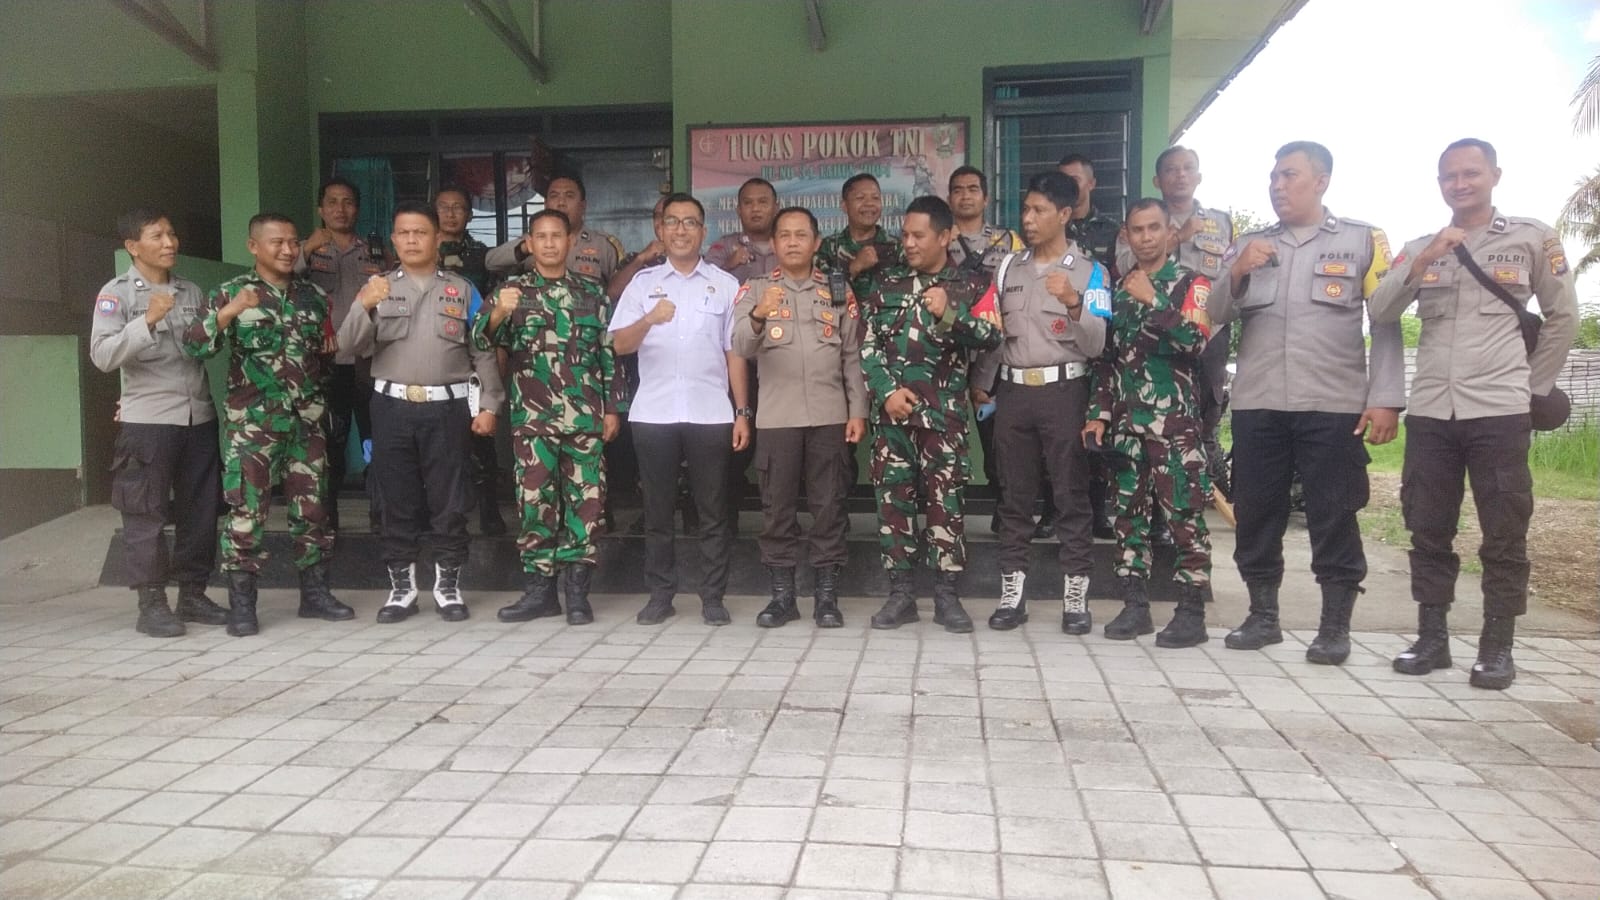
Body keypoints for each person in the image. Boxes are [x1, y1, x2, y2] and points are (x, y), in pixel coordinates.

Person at [1369, 138, 1577, 690]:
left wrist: (1531, 389)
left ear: (1494, 176)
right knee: (1427, 527)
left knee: (1504, 530)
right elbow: (1380, 310)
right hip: (1432, 411)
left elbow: (1563, 316)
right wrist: (1424, 261)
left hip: (1500, 411)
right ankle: (1432, 639)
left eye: (1470, 174)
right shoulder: (1421, 246)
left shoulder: (1531, 238)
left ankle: (1496, 646)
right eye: (1449, 176)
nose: (1459, 184)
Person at [1211, 141, 1404, 665]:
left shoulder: (1362, 240)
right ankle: (1262, 616)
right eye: (1273, 176)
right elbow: (1215, 312)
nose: (1277, 185)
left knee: (1334, 512)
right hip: (1259, 402)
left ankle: (1334, 626)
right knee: (1256, 511)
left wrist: (1386, 398)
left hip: (1333, 402)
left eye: (1289, 175)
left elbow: (1385, 321)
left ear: (1321, 181)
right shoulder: (1249, 243)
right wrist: (1237, 271)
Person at [183, 213, 352, 636]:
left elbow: (324, 356)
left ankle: (315, 595)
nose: (288, 250)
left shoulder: (313, 296)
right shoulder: (230, 292)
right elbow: (195, 346)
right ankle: (243, 604)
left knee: (312, 510)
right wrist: (230, 312)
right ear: (253, 246)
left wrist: (318, 404)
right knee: (247, 511)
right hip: (253, 425)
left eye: (294, 242)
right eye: (277, 242)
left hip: (305, 423)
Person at [339, 203, 505, 623]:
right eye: (403, 233)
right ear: (394, 240)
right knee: (397, 500)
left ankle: (448, 588)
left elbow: (482, 348)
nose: (411, 240)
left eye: (420, 232)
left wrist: (490, 404)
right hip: (392, 407)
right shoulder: (377, 288)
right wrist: (363, 305)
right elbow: (348, 346)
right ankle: (402, 589)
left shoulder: (462, 290)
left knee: (450, 501)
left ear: (436, 239)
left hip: (447, 408)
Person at [970, 172, 1107, 634]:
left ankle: (1075, 597)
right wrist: (982, 383)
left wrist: (1074, 304)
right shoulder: (1008, 267)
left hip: (1065, 392)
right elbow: (995, 333)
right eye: (1026, 209)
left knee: (1070, 495)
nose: (1027, 219)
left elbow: (1097, 344)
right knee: (1014, 497)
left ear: (1064, 214)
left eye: (1039, 211)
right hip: (1013, 394)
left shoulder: (1091, 272)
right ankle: (1012, 594)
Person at [860, 195, 1002, 633]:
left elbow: (993, 336)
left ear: (945, 236)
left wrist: (950, 315)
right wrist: (886, 392)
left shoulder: (972, 284)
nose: (909, 243)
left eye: (918, 235)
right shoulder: (886, 284)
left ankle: (946, 596)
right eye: (905, 235)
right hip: (892, 420)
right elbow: (867, 347)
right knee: (893, 505)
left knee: (947, 506)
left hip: (944, 419)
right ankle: (901, 595)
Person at [478, 209, 626, 626]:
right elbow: (479, 340)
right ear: (529, 242)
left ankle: (578, 595)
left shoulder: (592, 294)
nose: (548, 243)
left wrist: (612, 407)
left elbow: (608, 354)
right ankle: (540, 594)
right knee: (534, 505)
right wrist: (498, 313)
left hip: (585, 420)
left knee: (587, 506)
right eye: (540, 236)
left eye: (556, 236)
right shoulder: (512, 291)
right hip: (533, 421)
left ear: (569, 241)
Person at [610, 193, 751, 626]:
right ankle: (660, 595)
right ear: (661, 230)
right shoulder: (642, 285)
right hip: (654, 413)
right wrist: (648, 319)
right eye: (673, 222)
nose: (681, 230)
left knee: (713, 511)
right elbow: (619, 345)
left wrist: (742, 412)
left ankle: (713, 597)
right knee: (657, 512)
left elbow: (734, 353)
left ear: (703, 232)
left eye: (690, 222)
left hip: (711, 413)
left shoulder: (725, 285)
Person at [90, 208, 227, 637]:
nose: (170, 243)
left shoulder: (191, 290)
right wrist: (147, 320)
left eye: (171, 234)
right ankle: (151, 604)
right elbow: (102, 356)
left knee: (200, 512)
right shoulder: (116, 294)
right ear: (133, 246)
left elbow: (203, 348)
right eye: (157, 236)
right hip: (148, 421)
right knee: (145, 513)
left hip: (198, 416)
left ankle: (193, 594)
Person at [1086, 199, 1215, 646]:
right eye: (1137, 230)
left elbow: (1196, 343)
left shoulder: (1192, 284)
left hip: (1173, 426)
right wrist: (1098, 414)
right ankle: (1135, 606)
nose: (1145, 237)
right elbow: (1107, 360)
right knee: (1128, 517)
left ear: (1168, 232)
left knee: (1184, 515)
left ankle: (1191, 611)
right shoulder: (1118, 290)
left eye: (1154, 228)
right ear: (1127, 234)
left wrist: (1155, 300)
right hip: (1126, 427)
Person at [732, 206, 867, 628]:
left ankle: (826, 598)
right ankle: (782, 598)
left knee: (829, 507)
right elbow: (740, 346)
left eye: (801, 235)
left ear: (816, 242)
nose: (792, 242)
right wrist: (759, 314)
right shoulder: (756, 289)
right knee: (777, 510)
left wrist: (858, 411)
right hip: (778, 419)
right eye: (784, 235)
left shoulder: (837, 289)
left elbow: (851, 355)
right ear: (773, 244)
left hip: (830, 415)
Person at [1115, 147, 1236, 499]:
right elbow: (1125, 266)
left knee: (1205, 411)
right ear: (1158, 180)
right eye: (1171, 169)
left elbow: (1226, 279)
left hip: (1207, 330)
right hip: (1152, 330)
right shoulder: (1142, 218)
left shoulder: (1221, 222)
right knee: (1153, 420)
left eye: (1188, 168)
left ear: (1199, 176)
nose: (1180, 175)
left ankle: (1202, 482)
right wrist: (1177, 236)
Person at [946, 165, 1035, 535]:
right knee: (946, 438)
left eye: (973, 189)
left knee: (998, 439)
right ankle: (945, 515)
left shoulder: (1009, 241)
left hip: (993, 354)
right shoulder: (939, 237)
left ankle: (1006, 512)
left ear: (985, 197)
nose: (965, 195)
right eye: (958, 189)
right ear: (949, 197)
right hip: (947, 349)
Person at [298, 178, 384, 533]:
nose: (340, 209)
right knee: (329, 443)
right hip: (326, 362)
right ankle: (327, 519)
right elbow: (282, 280)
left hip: (369, 362)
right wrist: (305, 250)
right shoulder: (305, 250)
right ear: (320, 209)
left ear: (357, 209)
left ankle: (380, 514)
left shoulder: (375, 251)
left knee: (374, 441)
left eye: (348, 202)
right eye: (332, 202)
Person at [486, 174, 625, 286]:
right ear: (546, 204)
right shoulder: (534, 241)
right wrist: (525, 248)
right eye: (554, 196)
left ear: (583, 206)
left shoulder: (604, 245)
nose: (561, 203)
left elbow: (622, 292)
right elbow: (491, 263)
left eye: (569, 196)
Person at [816, 173, 905, 300]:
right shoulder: (828, 248)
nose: (869, 204)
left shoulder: (898, 247)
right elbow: (819, 294)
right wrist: (854, 268)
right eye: (860, 198)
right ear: (844, 206)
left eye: (875, 198)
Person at [1057, 154, 1122, 278]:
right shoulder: (1051, 228)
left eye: (1075, 180)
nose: (1068, 186)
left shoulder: (1112, 230)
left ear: (1091, 184)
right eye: (1063, 180)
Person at [707, 178, 780, 283]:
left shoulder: (788, 245)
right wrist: (728, 264)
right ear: (739, 210)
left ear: (776, 208)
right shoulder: (725, 246)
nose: (755, 208)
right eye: (748, 203)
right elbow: (704, 284)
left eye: (763, 202)